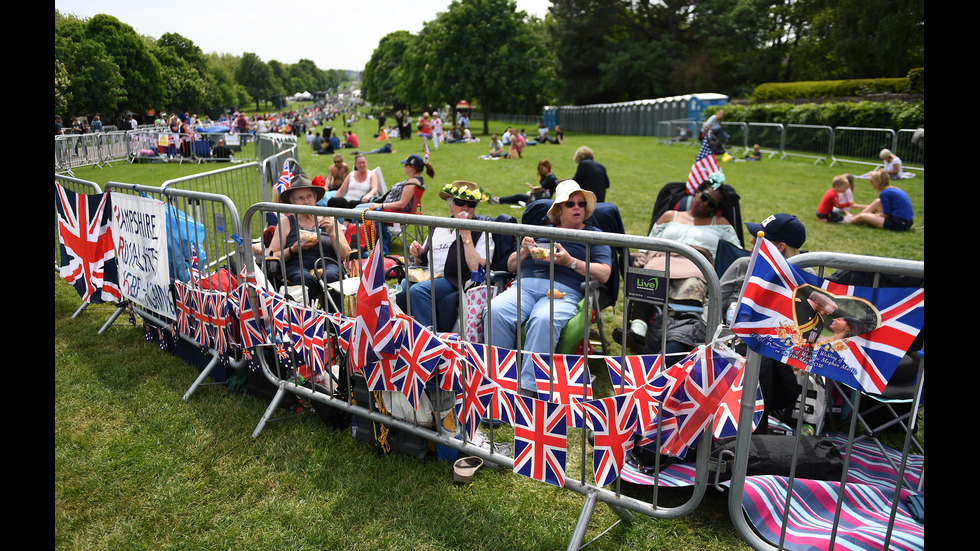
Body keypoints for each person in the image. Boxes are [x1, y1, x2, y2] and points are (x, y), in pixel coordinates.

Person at [489, 180, 613, 395]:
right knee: (495, 311)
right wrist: (524, 251)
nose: (577, 208)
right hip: (524, 287)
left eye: (581, 204)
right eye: (570, 203)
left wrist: (570, 262)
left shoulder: (595, 235)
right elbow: (510, 266)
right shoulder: (539, 230)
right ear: (558, 210)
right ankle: (500, 381)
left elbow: (604, 273)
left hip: (563, 291)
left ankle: (528, 387)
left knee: (544, 319)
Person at [617, 174, 741, 355]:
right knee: (649, 276)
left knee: (691, 284)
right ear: (697, 193)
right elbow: (649, 241)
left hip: (695, 265)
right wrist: (642, 256)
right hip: (661, 261)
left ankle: (674, 335)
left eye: (711, 204)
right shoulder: (669, 216)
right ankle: (638, 330)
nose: (705, 204)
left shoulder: (721, 224)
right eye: (704, 197)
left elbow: (734, 251)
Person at [395, 181, 494, 331]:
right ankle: (405, 333)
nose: (466, 207)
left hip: (456, 280)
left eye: (471, 204)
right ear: (450, 205)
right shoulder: (438, 226)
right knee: (402, 288)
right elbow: (424, 260)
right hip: (429, 276)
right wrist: (418, 252)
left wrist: (466, 234)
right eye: (461, 202)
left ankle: (428, 339)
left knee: (418, 291)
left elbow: (477, 267)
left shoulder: (482, 230)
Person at [266, 173, 351, 307]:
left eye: (309, 197)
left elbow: (346, 254)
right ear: (292, 201)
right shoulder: (286, 223)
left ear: (315, 197)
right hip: (298, 266)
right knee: (304, 278)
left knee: (331, 276)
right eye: (300, 198)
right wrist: (293, 249)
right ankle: (307, 322)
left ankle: (333, 324)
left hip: (329, 264)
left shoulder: (328, 219)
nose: (306, 202)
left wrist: (332, 234)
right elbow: (271, 255)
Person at [354, 153, 434, 254]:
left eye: (406, 165)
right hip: (389, 209)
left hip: (392, 212)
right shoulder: (415, 181)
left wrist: (380, 205)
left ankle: (371, 243)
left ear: (412, 167)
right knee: (357, 208)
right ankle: (366, 241)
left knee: (356, 212)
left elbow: (402, 204)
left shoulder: (412, 183)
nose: (404, 167)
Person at [848, 169, 914, 231]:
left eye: (872, 181)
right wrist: (857, 206)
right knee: (877, 202)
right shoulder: (892, 190)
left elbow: (886, 214)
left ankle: (850, 219)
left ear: (878, 182)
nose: (870, 183)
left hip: (899, 223)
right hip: (907, 222)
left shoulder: (885, 193)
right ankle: (854, 217)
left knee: (863, 217)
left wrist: (870, 216)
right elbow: (882, 208)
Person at [489, 159, 558, 205]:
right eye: (540, 169)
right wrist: (533, 188)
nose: (541, 171)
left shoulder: (552, 178)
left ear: (547, 167)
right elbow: (543, 187)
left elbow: (544, 187)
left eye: (542, 168)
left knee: (518, 196)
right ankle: (498, 199)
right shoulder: (547, 176)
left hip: (540, 199)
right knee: (520, 197)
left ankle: (498, 200)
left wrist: (534, 188)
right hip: (539, 197)